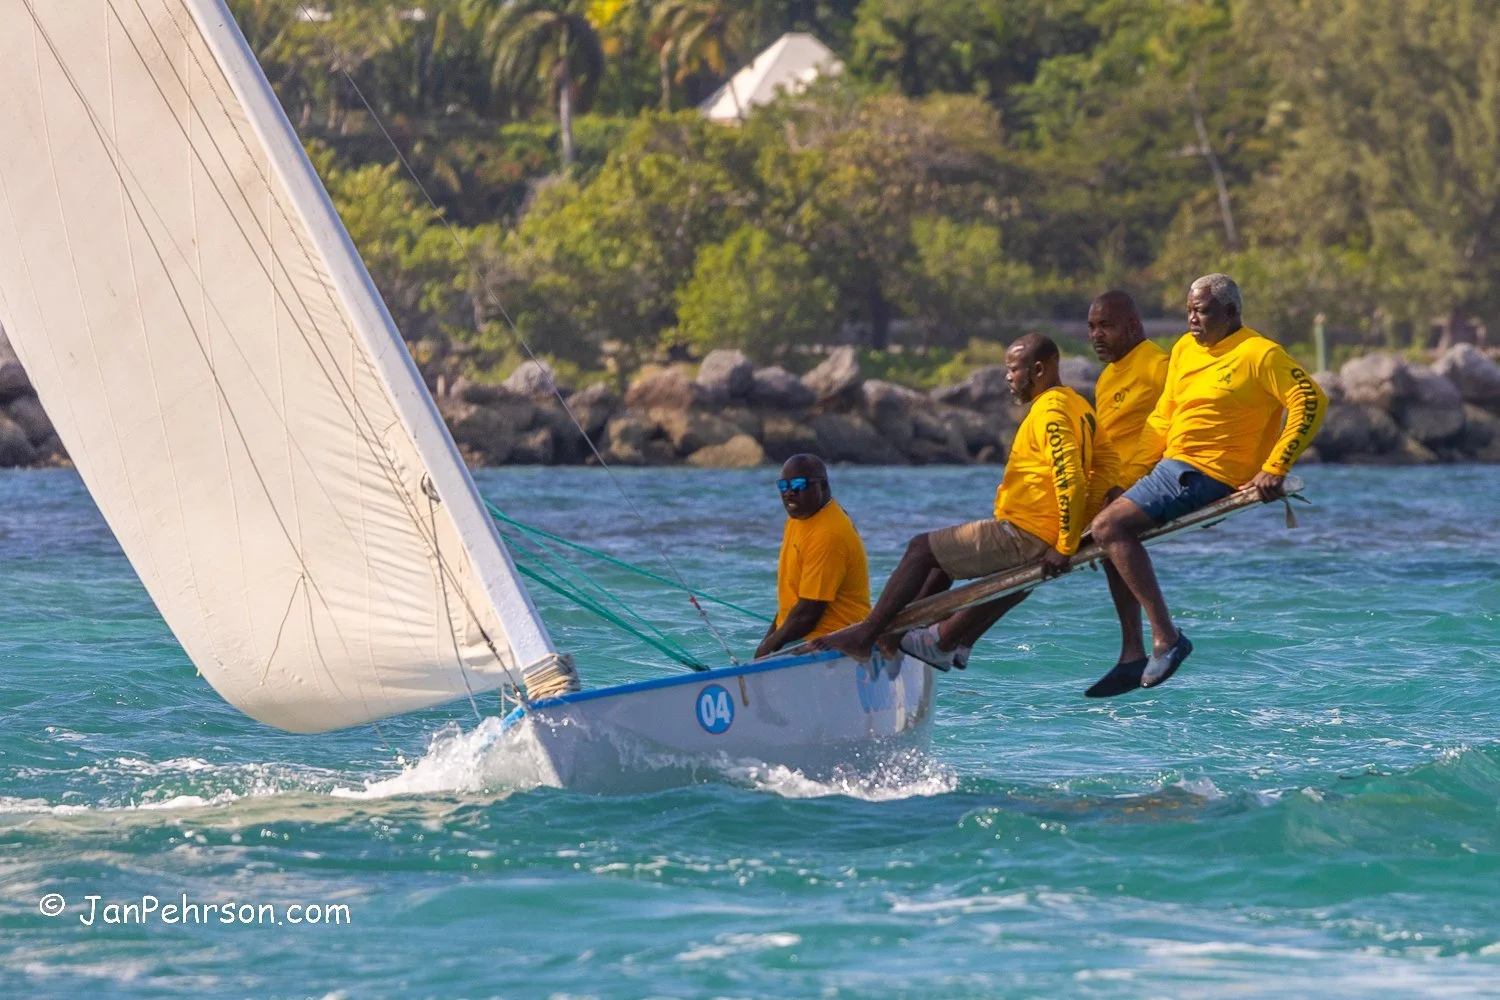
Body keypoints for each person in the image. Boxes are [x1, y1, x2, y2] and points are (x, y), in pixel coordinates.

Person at [813, 334, 1116, 667]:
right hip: (1038, 531)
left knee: (920, 550)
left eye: (1014, 369)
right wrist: (1080, 530)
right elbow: (1107, 469)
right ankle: (908, 639)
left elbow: (1070, 478)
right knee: (940, 560)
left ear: (1040, 370)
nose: (1008, 378)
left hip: (1026, 534)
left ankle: (865, 636)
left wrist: (1066, 545)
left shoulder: (1051, 411)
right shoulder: (1079, 406)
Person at [1088, 273, 1328, 691]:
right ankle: (1131, 653)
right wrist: (1125, 480)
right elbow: (1162, 417)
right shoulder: (1184, 348)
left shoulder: (1260, 354)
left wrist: (1276, 465)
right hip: (1171, 468)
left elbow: (1311, 400)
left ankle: (1167, 638)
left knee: (1109, 527)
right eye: (1188, 311)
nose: (1192, 320)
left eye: (1201, 311)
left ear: (1230, 312)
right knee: (1102, 531)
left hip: (1207, 473)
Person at [1079, 291, 1172, 698]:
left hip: (1149, 483)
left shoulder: (1157, 365)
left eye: (1106, 326)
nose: (1096, 335)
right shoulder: (1107, 377)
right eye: (1091, 327)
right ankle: (1132, 652)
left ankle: (951, 640)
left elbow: (1181, 420)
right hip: (1110, 487)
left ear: (1133, 327)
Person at [754, 454, 871, 659]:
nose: (789, 493)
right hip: (801, 633)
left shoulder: (828, 534)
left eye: (798, 485)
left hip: (831, 642)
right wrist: (767, 644)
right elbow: (794, 603)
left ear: (823, 486)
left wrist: (762, 654)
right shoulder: (798, 518)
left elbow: (807, 615)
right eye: (783, 486)